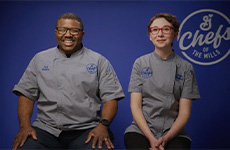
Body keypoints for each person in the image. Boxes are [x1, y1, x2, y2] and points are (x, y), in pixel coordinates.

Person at [12, 12, 125, 150]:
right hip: (46, 130)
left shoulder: (98, 61)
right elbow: (26, 95)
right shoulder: (40, 59)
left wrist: (103, 126)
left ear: (82, 34)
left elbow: (111, 98)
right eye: (62, 29)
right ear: (56, 32)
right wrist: (25, 127)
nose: (68, 34)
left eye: (74, 30)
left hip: (86, 130)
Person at [124, 13, 200, 150]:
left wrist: (166, 138)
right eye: (155, 30)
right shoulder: (140, 63)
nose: (160, 34)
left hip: (175, 133)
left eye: (166, 29)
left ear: (175, 34)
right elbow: (135, 106)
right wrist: (151, 138)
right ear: (150, 35)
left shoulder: (186, 67)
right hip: (141, 131)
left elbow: (184, 113)